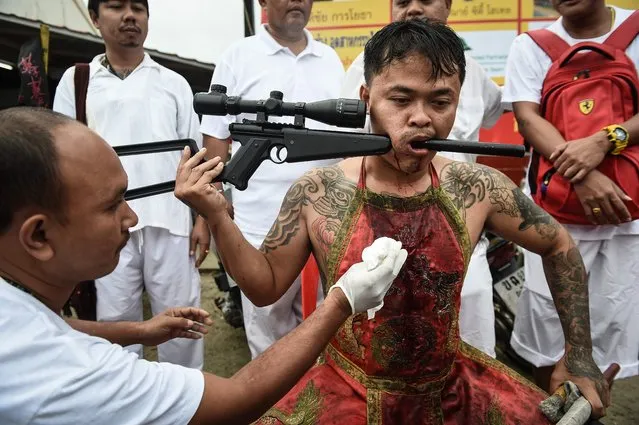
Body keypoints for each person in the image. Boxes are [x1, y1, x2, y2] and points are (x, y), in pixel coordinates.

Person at [187, 19, 612, 424]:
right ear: (365, 97)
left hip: (452, 389)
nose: (421, 117)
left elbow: (558, 245)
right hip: (342, 390)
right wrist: (217, 215)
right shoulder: (318, 190)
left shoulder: (476, 187)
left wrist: (579, 355)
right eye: (401, 99)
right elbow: (263, 289)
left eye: (440, 101)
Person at [0, 106, 405, 425]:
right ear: (37, 237)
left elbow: (46, 329)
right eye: (111, 205)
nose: (132, 218)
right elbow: (234, 403)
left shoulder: (18, 323)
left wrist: (137, 331)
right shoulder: (73, 376)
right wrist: (342, 300)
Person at [340, 0, 503, 357]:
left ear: (447, 6)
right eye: (402, 1)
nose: (413, 9)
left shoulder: (474, 72)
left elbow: (490, 116)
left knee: (470, 359)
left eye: (441, 102)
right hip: (383, 247)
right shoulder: (365, 68)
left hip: (464, 243)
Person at [52, 0, 209, 369]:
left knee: (182, 323)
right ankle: (124, 403)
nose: (129, 16)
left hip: (170, 221)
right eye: (115, 6)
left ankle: (187, 404)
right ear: (95, 17)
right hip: (105, 226)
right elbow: (61, 158)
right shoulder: (78, 82)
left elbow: (195, 156)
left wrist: (202, 219)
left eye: (138, 8)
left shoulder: (174, 83)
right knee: (116, 327)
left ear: (147, 19)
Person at [503, 0, 639, 390]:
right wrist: (582, 175)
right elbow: (528, 119)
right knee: (546, 331)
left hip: (626, 216)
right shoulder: (530, 44)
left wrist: (605, 140)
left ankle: (594, 411)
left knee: (612, 329)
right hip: (553, 219)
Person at [199, 0, 345, 358]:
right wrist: (214, 213)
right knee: (268, 338)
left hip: (329, 221)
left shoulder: (330, 59)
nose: (297, 1)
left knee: (326, 330)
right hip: (260, 225)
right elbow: (216, 140)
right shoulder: (238, 55)